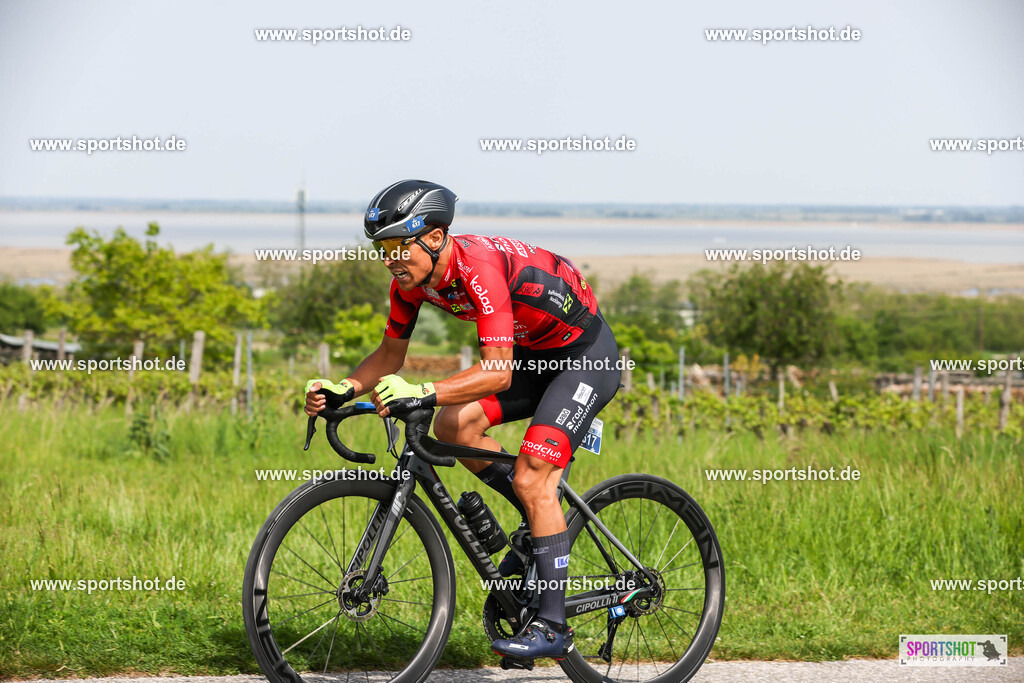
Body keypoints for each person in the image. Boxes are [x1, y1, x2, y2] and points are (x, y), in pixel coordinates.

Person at [304, 179, 621, 661]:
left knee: (534, 475)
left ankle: (554, 626)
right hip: (533, 357)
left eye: (396, 245)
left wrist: (423, 391)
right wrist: (344, 388)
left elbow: (496, 372)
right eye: (381, 248)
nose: (389, 259)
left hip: (583, 357)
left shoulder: (479, 268)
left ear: (433, 237)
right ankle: (538, 519)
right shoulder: (411, 283)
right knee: (452, 427)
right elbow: (390, 354)